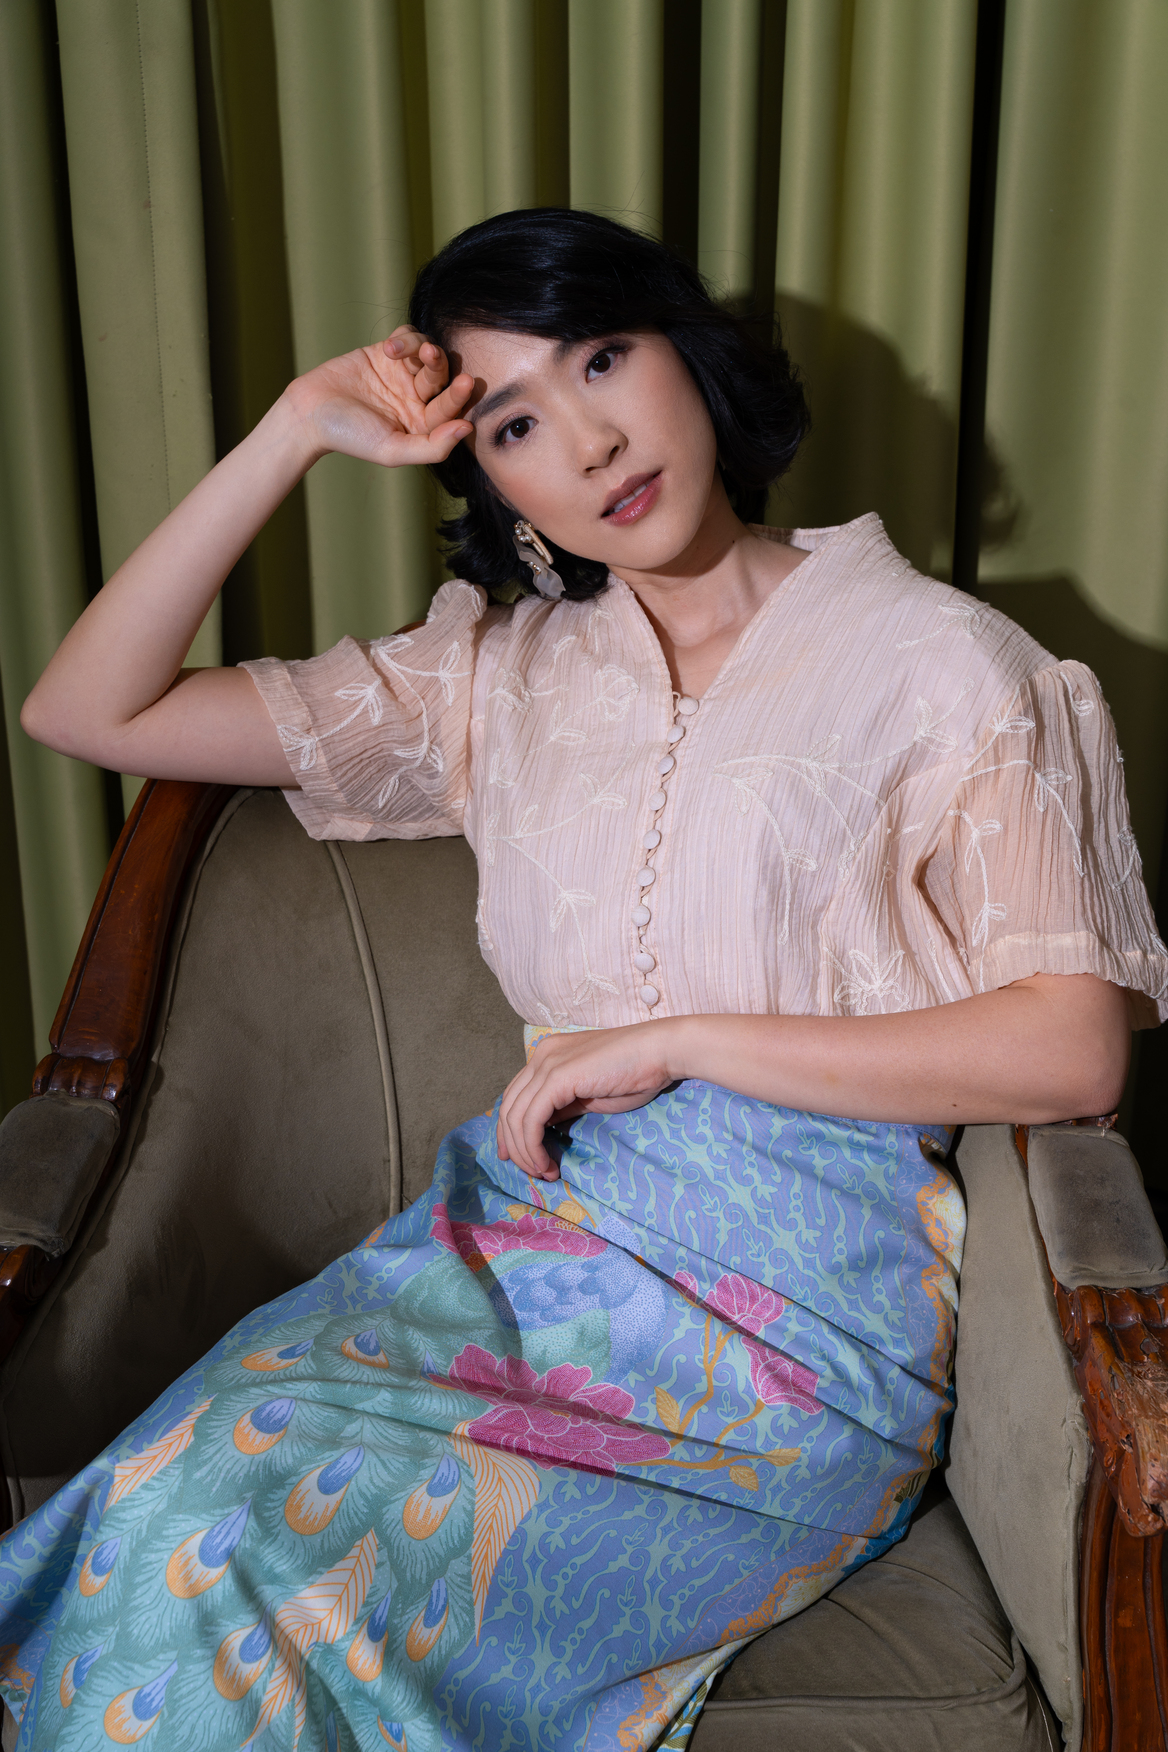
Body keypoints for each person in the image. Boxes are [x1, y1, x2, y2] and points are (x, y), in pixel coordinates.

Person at [2, 207, 1163, 1752]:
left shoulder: (953, 666)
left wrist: (682, 1040)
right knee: (173, 1513)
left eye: (606, 357)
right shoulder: (496, 678)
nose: (594, 438)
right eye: (515, 421)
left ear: (689, 350)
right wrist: (291, 430)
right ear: (492, 480)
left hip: (789, 1327)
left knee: (287, 1592)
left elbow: (1074, 1050)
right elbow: (87, 707)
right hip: (502, 1259)